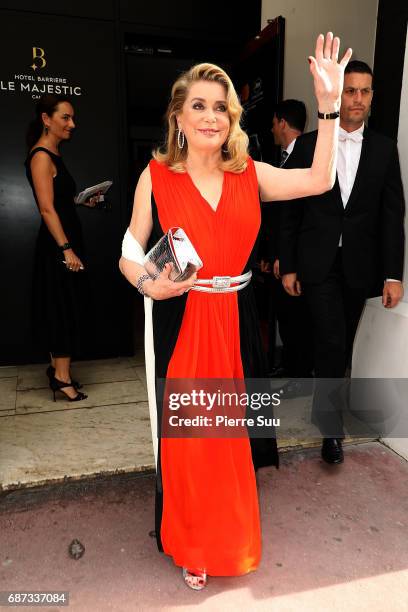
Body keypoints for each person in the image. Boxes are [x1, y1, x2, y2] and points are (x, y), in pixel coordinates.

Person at [120, 33, 352, 589]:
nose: (210, 116)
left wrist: (329, 105)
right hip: (184, 321)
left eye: (220, 107)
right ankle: (191, 543)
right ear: (177, 116)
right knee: (193, 447)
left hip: (237, 321)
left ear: (232, 118)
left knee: (231, 446)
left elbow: (319, 179)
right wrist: (151, 285)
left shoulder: (250, 174)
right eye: (197, 105)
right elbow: (130, 251)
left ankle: (228, 540)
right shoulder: (155, 177)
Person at [279, 60, 405, 464]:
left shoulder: (385, 149)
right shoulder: (307, 145)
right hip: (317, 263)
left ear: (371, 98)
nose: (357, 98)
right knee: (332, 338)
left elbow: (391, 216)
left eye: (364, 91)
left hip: (359, 265)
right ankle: (330, 428)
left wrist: (392, 274)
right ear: (338, 94)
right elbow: (291, 211)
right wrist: (289, 263)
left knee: (340, 339)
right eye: (350, 90)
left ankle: (325, 403)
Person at [25, 94, 93, 402]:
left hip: (64, 241)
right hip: (58, 245)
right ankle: (62, 379)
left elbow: (60, 202)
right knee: (62, 307)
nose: (72, 124)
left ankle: (57, 370)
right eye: (65, 117)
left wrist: (82, 200)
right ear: (46, 119)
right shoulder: (41, 156)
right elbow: (46, 209)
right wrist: (66, 249)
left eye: (72, 118)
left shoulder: (54, 154)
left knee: (63, 303)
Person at [260, 100, 314, 392]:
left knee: (297, 320)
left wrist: (285, 257)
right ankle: (294, 368)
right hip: (279, 257)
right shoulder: (281, 159)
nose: (271, 129)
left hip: (295, 259)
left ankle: (301, 377)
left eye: (273, 123)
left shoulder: (307, 160)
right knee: (286, 317)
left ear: (282, 122)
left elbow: (297, 215)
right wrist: (270, 255)